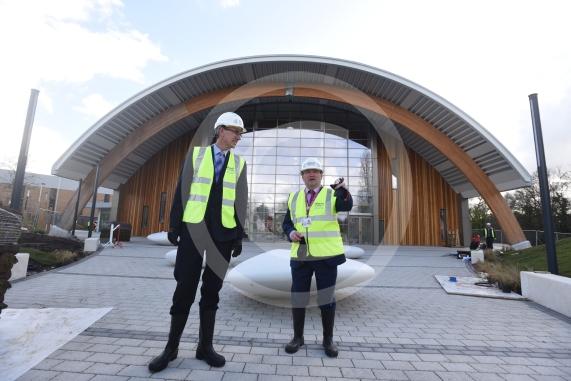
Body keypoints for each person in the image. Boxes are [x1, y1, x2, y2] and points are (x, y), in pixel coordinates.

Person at [148, 112, 248, 373]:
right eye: (235, 131)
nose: (238, 137)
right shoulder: (197, 155)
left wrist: (238, 235)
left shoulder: (239, 164)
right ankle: (171, 348)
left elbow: (240, 202)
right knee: (185, 287)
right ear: (220, 130)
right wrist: (174, 225)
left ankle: (205, 347)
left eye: (240, 133)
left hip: (223, 235)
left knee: (212, 290)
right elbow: (182, 190)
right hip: (194, 231)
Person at [282, 157, 353, 358]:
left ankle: (328, 340)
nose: (311, 174)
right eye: (307, 171)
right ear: (302, 176)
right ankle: (298, 338)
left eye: (315, 171)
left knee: (326, 299)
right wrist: (290, 233)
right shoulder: (294, 197)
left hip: (326, 256)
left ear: (321, 175)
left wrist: (342, 188)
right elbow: (287, 223)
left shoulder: (332, 194)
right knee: (298, 297)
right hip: (301, 256)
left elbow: (346, 205)